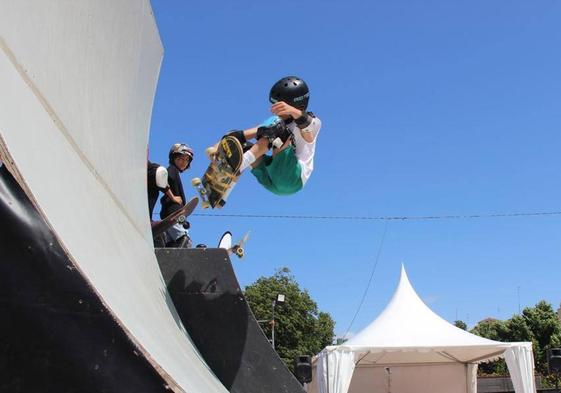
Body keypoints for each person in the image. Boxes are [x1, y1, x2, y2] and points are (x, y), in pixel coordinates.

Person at [219, 76, 321, 196]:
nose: (275, 111)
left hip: (293, 179)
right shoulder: (275, 123)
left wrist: (292, 111)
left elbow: (307, 130)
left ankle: (239, 166)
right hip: (272, 179)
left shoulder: (314, 122)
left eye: (280, 107)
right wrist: (220, 147)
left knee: (275, 125)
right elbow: (241, 135)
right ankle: (222, 191)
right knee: (241, 146)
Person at [160, 143, 194, 248]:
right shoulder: (172, 170)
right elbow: (161, 180)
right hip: (173, 213)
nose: (184, 162)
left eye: (186, 160)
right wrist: (173, 197)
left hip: (168, 215)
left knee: (170, 245)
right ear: (173, 158)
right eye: (181, 159)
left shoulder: (175, 172)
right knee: (184, 241)